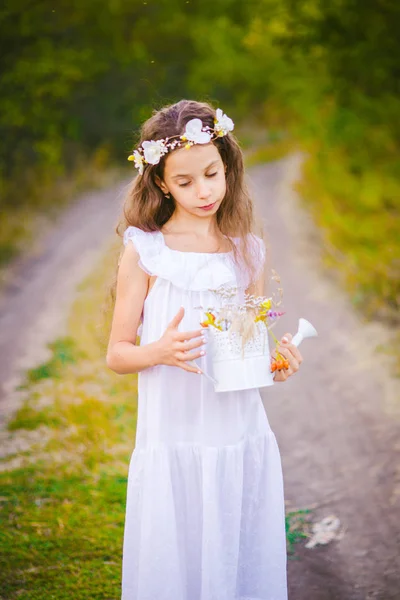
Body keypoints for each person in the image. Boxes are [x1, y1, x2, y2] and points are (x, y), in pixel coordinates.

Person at [106, 99, 303, 600]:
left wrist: (275, 362)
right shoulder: (146, 251)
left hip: (236, 428)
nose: (204, 191)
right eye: (186, 181)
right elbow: (117, 354)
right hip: (174, 432)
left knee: (232, 554)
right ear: (161, 183)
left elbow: (249, 354)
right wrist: (159, 351)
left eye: (212, 174)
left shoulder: (246, 252)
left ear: (227, 166)